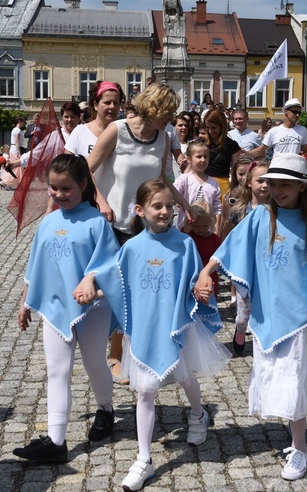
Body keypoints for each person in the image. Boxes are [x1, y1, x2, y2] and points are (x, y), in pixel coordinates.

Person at [196, 153, 307, 481]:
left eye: (285, 184)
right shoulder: (260, 217)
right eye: (272, 183)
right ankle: (296, 439)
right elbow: (229, 247)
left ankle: (300, 447)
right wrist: (207, 272)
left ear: (302, 187)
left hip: (301, 318)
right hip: (267, 315)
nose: (276, 189)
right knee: (279, 381)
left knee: (294, 385)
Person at [79, 179, 230, 491]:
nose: (164, 211)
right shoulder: (131, 247)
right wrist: (91, 283)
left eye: (169, 206)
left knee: (186, 377)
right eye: (157, 206)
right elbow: (114, 279)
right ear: (140, 210)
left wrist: (200, 289)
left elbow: (193, 279)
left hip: (175, 325)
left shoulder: (185, 244)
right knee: (146, 390)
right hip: (145, 329)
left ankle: (198, 415)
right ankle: (144, 459)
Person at [14, 154, 120, 464]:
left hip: (93, 309)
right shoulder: (48, 222)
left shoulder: (97, 223)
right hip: (55, 307)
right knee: (57, 370)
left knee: (93, 364)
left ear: (84, 185)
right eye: (54, 188)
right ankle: (56, 441)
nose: (59, 195)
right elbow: (36, 267)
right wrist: (25, 302)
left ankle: (105, 409)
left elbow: (111, 264)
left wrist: (90, 279)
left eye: (66, 189)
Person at [86, 83, 191, 386]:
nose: (171, 118)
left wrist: (183, 205)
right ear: (155, 108)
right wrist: (101, 201)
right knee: (117, 290)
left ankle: (134, 350)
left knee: (137, 290)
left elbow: (161, 179)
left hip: (144, 228)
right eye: (168, 111)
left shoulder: (164, 137)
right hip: (113, 225)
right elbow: (87, 168)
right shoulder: (117, 130)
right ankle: (114, 353)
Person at [173, 141, 222, 233]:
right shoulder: (184, 179)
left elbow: (217, 209)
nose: (203, 160)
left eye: (205, 157)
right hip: (187, 230)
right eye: (199, 157)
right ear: (189, 159)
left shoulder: (213, 183)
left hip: (206, 231)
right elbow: (173, 192)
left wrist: (216, 231)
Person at [183, 202, 222, 298]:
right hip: (191, 277)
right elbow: (181, 241)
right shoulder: (188, 237)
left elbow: (220, 258)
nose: (201, 229)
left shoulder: (214, 239)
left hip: (210, 277)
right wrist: (186, 226)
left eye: (205, 226)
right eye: (197, 226)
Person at [203, 108, 240, 198]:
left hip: (222, 186)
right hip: (203, 183)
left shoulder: (232, 145)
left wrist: (235, 189)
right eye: (208, 128)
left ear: (222, 126)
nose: (210, 131)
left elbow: (236, 170)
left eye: (214, 128)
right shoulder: (202, 143)